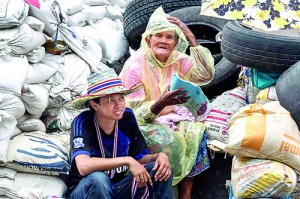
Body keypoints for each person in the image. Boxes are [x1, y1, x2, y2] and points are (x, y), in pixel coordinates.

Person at [119, 6, 215, 199]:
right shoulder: (135, 67)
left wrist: (190, 36)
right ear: (148, 40)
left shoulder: (177, 60)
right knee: (171, 139)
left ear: (176, 43)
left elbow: (205, 74)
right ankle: (159, 188)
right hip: (141, 122)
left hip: (171, 116)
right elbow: (133, 113)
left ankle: (185, 194)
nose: (163, 41)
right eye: (158, 36)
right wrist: (160, 104)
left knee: (197, 132)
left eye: (169, 37)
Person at [68, 68, 173, 199]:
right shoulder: (82, 122)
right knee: (98, 179)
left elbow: (139, 157)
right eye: (111, 100)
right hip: (86, 190)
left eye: (121, 98)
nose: (119, 105)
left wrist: (159, 156)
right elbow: (83, 166)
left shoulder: (127, 117)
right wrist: (127, 161)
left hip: (116, 188)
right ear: (95, 105)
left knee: (159, 168)